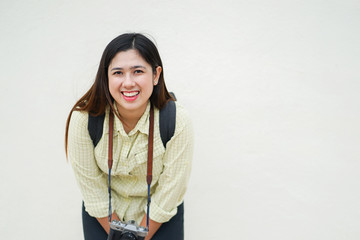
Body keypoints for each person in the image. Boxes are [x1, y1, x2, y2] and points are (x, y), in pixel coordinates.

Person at [65, 33, 193, 240]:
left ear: (155, 74)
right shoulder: (84, 119)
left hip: (160, 219)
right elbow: (92, 188)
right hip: (103, 217)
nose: (128, 83)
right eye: (118, 73)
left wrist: (139, 237)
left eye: (137, 71)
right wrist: (120, 237)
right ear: (106, 77)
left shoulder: (177, 120)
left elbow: (171, 190)